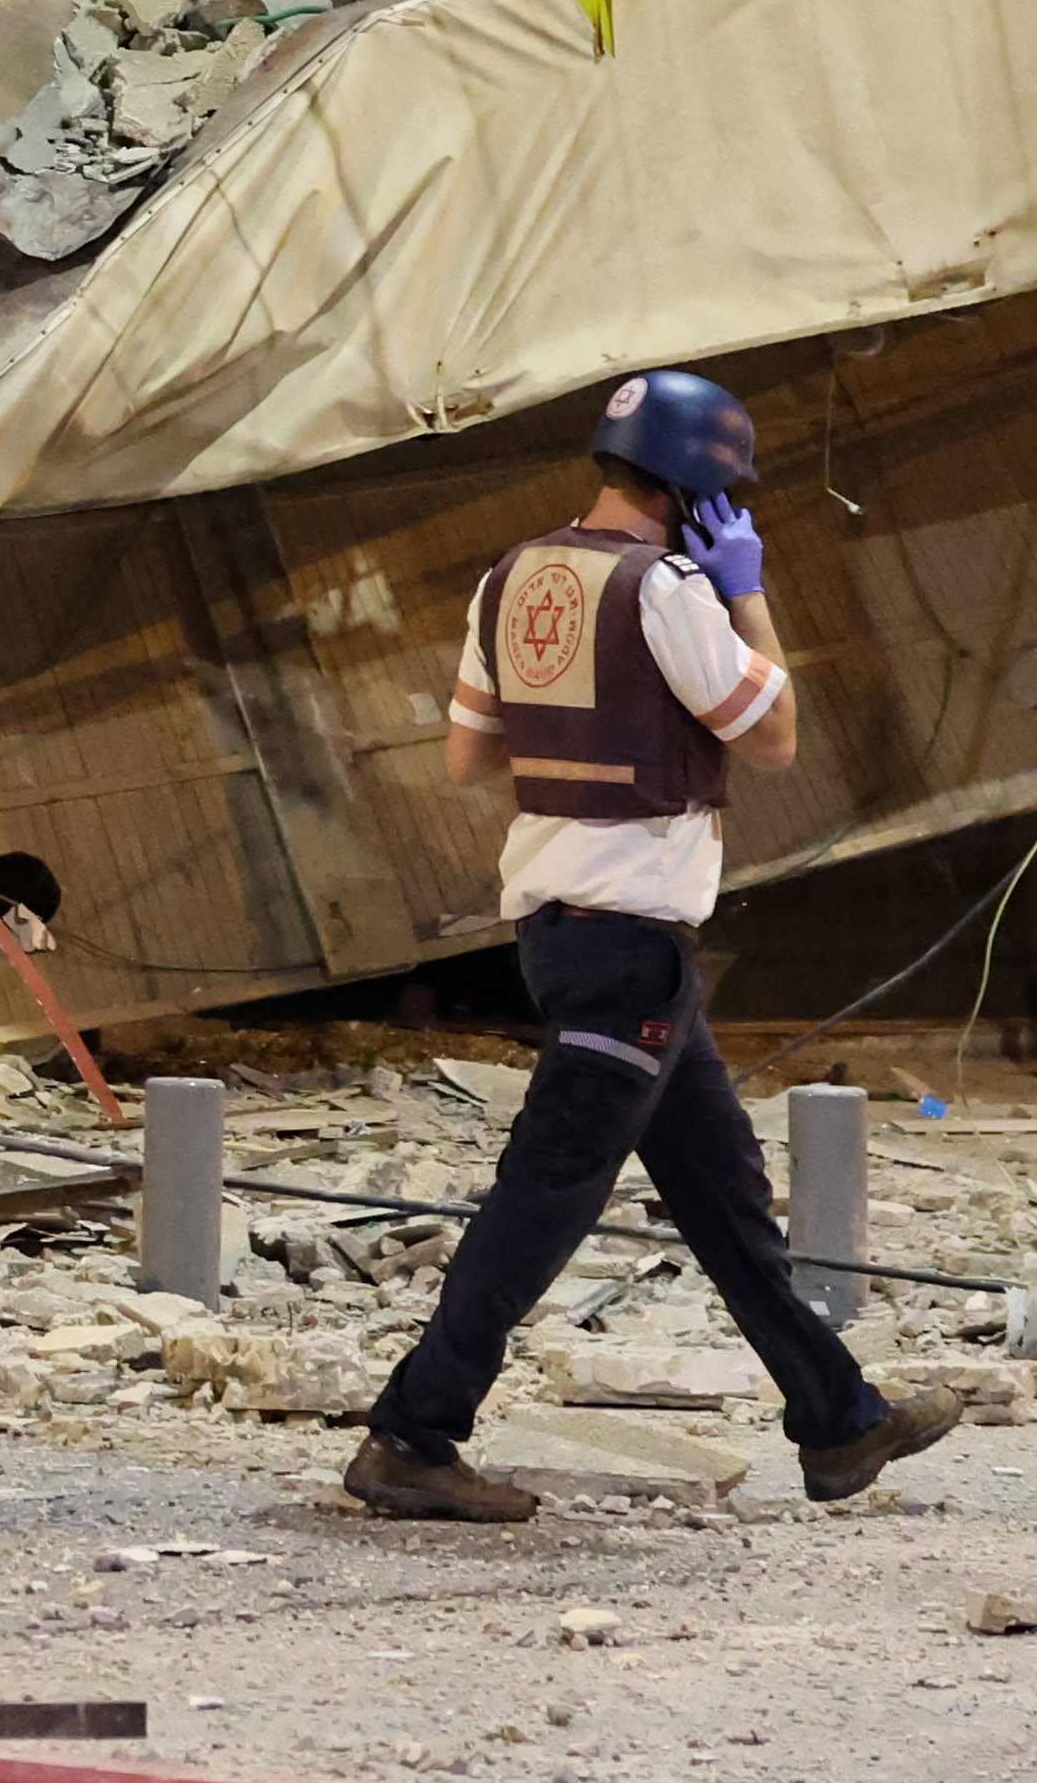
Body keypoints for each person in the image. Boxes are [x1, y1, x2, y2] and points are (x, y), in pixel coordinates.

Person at [343, 367, 960, 1525]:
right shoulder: (671, 587)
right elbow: (772, 735)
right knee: (545, 1194)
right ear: (694, 485)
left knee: (724, 1194)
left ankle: (838, 1421)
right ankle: (412, 1434)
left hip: (570, 928)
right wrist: (749, 598)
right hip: (625, 937)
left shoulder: (509, 576)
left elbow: (467, 756)